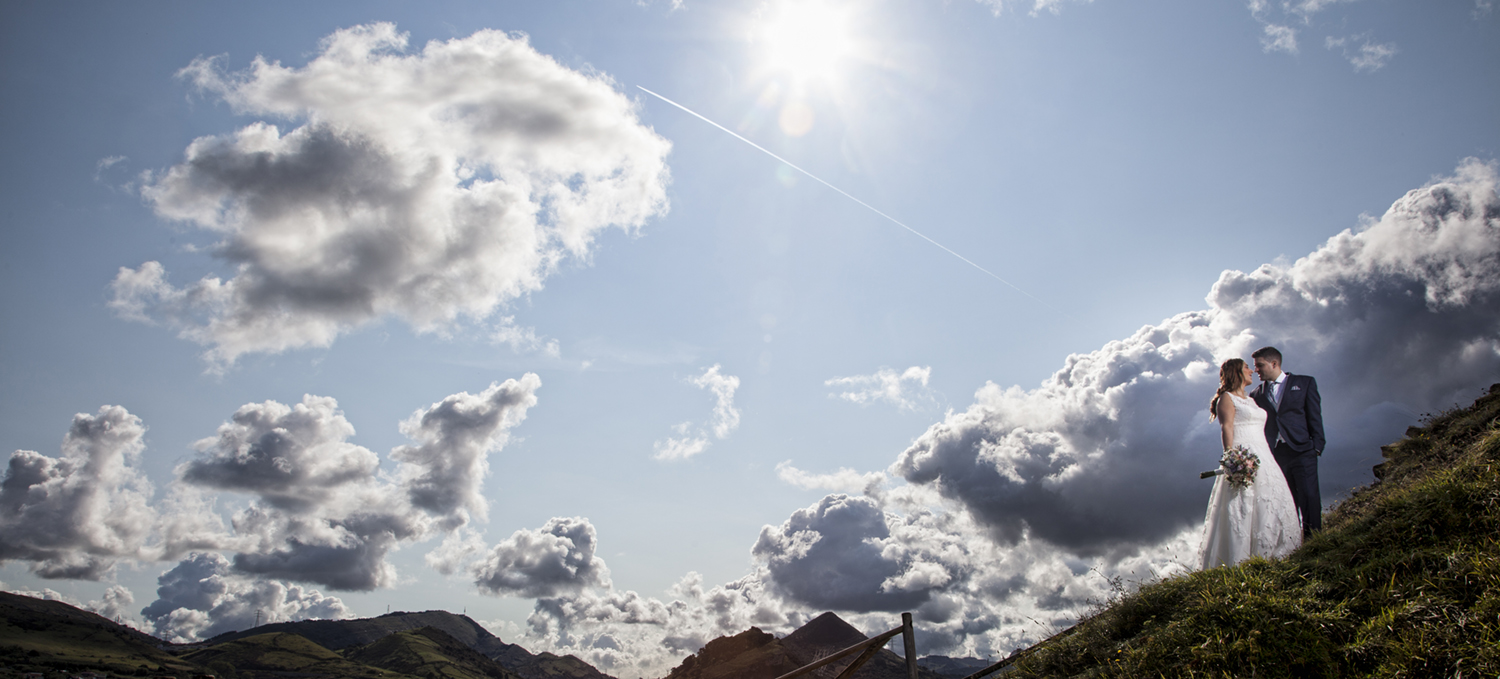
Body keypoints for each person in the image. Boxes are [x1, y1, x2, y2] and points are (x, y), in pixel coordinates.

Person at [1198, 358, 1301, 569]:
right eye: (1247, 367)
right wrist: (1232, 458)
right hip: (1244, 455)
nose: (1252, 371)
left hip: (1263, 454)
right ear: (1236, 371)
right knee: (1245, 502)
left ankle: (1279, 549)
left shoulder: (1251, 400)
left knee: (1272, 498)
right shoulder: (1226, 399)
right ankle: (1244, 557)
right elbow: (1227, 428)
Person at [1250, 346, 1326, 538]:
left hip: (1303, 450)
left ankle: (1314, 540)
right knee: (1286, 500)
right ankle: (1291, 543)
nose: (1256, 370)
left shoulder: (1305, 383)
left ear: (1274, 363)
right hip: (1276, 455)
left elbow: (1314, 415)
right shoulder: (1256, 395)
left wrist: (1317, 446)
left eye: (1259, 365)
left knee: (1309, 496)